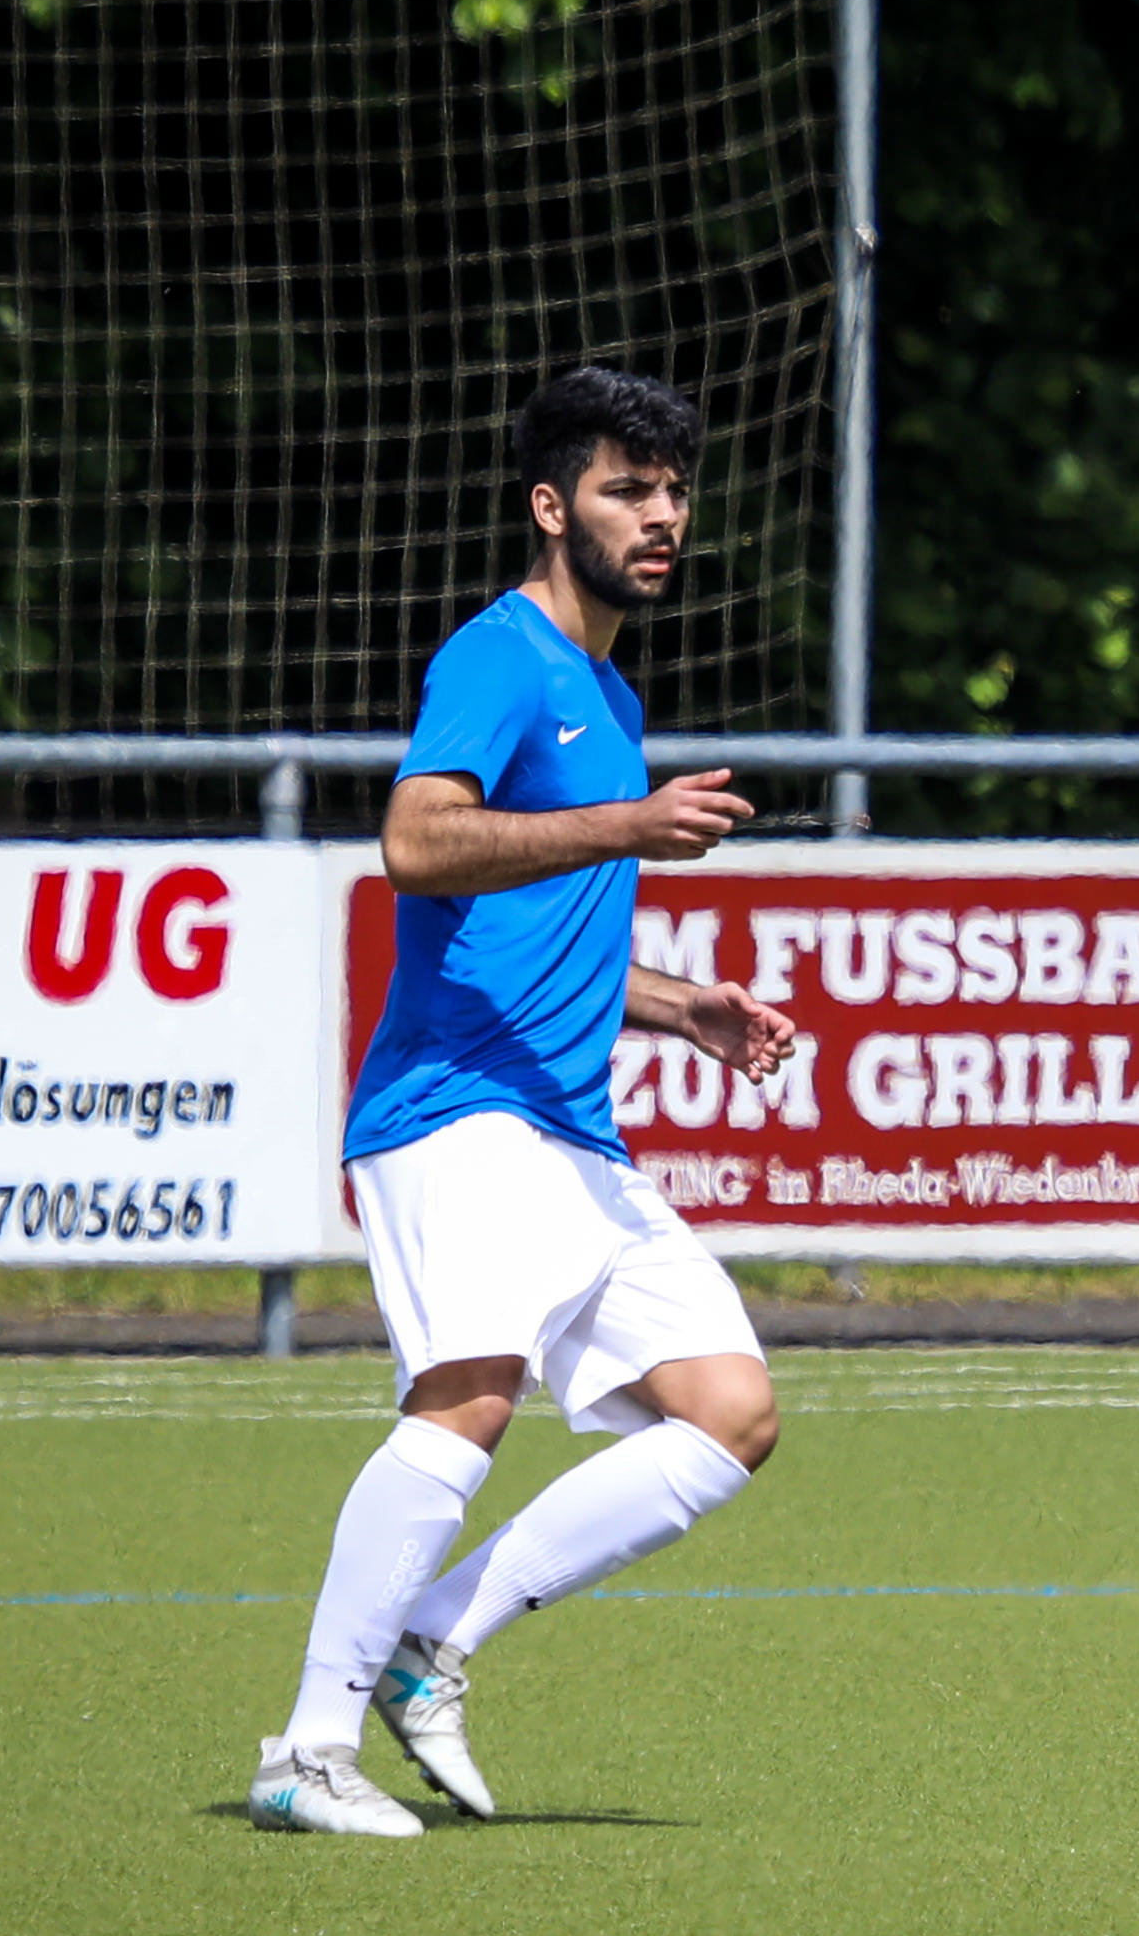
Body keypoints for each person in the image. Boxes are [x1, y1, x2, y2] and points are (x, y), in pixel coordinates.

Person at [251, 366, 795, 1837]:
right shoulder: (500, 657)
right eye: (628, 489)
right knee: (471, 1400)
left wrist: (683, 1007)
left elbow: (541, 931)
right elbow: (417, 846)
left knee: (731, 1411)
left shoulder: (610, 693)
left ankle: (434, 1636)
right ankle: (307, 1751)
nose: (662, 515)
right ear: (553, 507)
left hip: (568, 1130)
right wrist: (630, 824)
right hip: (456, 1106)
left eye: (674, 491)